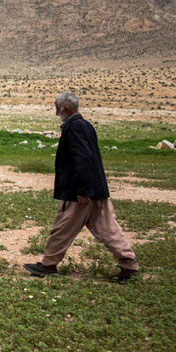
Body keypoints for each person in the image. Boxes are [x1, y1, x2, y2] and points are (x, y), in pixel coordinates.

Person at [24, 92, 139, 281]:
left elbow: (82, 158)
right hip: (97, 189)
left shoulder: (73, 128)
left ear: (66, 108)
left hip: (80, 193)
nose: (56, 113)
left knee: (62, 228)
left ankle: (48, 264)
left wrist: (83, 190)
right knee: (109, 229)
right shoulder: (86, 125)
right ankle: (129, 265)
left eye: (57, 108)